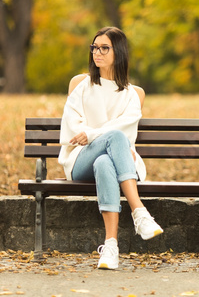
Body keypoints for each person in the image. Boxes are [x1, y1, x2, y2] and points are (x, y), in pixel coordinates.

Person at [58, 27, 163, 270]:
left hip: (116, 161)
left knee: (104, 162)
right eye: (94, 47)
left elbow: (126, 129)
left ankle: (111, 246)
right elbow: (73, 128)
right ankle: (139, 212)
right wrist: (99, 137)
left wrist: (94, 134)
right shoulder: (80, 84)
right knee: (112, 139)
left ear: (120, 52)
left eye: (104, 48)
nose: (97, 52)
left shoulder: (133, 94)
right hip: (79, 161)